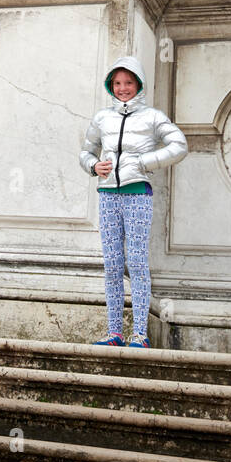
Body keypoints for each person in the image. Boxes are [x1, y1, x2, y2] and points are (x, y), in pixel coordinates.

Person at [79, 56, 187, 348]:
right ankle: (114, 332)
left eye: (128, 82)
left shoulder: (152, 116)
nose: (122, 88)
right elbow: (86, 151)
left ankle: (139, 334)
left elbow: (179, 145)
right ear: (110, 85)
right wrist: (93, 166)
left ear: (138, 84)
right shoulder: (102, 118)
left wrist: (144, 162)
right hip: (107, 196)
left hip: (138, 194)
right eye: (117, 83)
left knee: (137, 263)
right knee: (113, 265)